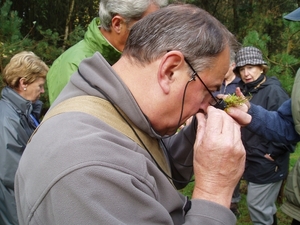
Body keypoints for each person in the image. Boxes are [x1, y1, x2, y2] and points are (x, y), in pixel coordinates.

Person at [15, 5, 246, 225]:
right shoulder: (89, 169)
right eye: (210, 91)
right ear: (170, 70)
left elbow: (152, 166)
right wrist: (214, 191)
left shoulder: (113, 108)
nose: (208, 105)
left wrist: (204, 132)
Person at [47, 0, 168, 105]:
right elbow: (74, 125)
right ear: (117, 24)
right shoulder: (74, 65)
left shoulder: (130, 58)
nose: (154, 35)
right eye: (148, 26)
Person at [234, 46, 295, 225]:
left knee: (256, 205)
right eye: (242, 69)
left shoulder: (274, 91)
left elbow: (287, 127)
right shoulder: (245, 90)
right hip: (253, 158)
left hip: (268, 161)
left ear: (262, 67)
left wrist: (273, 153)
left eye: (251, 67)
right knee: (264, 207)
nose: (246, 73)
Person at [0, 51, 48, 225]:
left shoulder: (23, 113)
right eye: (40, 85)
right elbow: (14, 175)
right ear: (23, 83)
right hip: (14, 209)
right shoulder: (7, 121)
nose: (42, 91)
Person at [214, 50, 241, 217]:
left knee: (232, 165)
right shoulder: (218, 83)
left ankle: (233, 201)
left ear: (233, 65)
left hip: (235, 131)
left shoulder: (239, 85)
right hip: (217, 129)